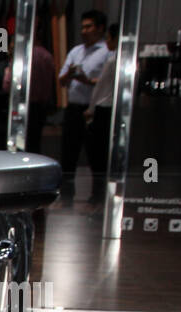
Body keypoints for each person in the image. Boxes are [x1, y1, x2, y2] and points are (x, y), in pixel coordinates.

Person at [58, 9, 110, 197]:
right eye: (82, 27)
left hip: (94, 109)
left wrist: (87, 80)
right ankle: (65, 195)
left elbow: (107, 81)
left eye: (88, 26)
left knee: (96, 155)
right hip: (73, 108)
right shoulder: (76, 51)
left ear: (100, 28)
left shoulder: (106, 52)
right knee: (68, 153)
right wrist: (71, 74)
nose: (84, 31)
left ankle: (98, 197)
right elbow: (61, 80)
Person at [86, 22, 119, 203]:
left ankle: (97, 194)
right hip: (114, 110)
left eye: (108, 38)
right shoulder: (129, 61)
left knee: (98, 156)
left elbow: (100, 89)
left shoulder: (113, 60)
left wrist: (90, 110)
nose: (106, 41)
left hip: (103, 110)